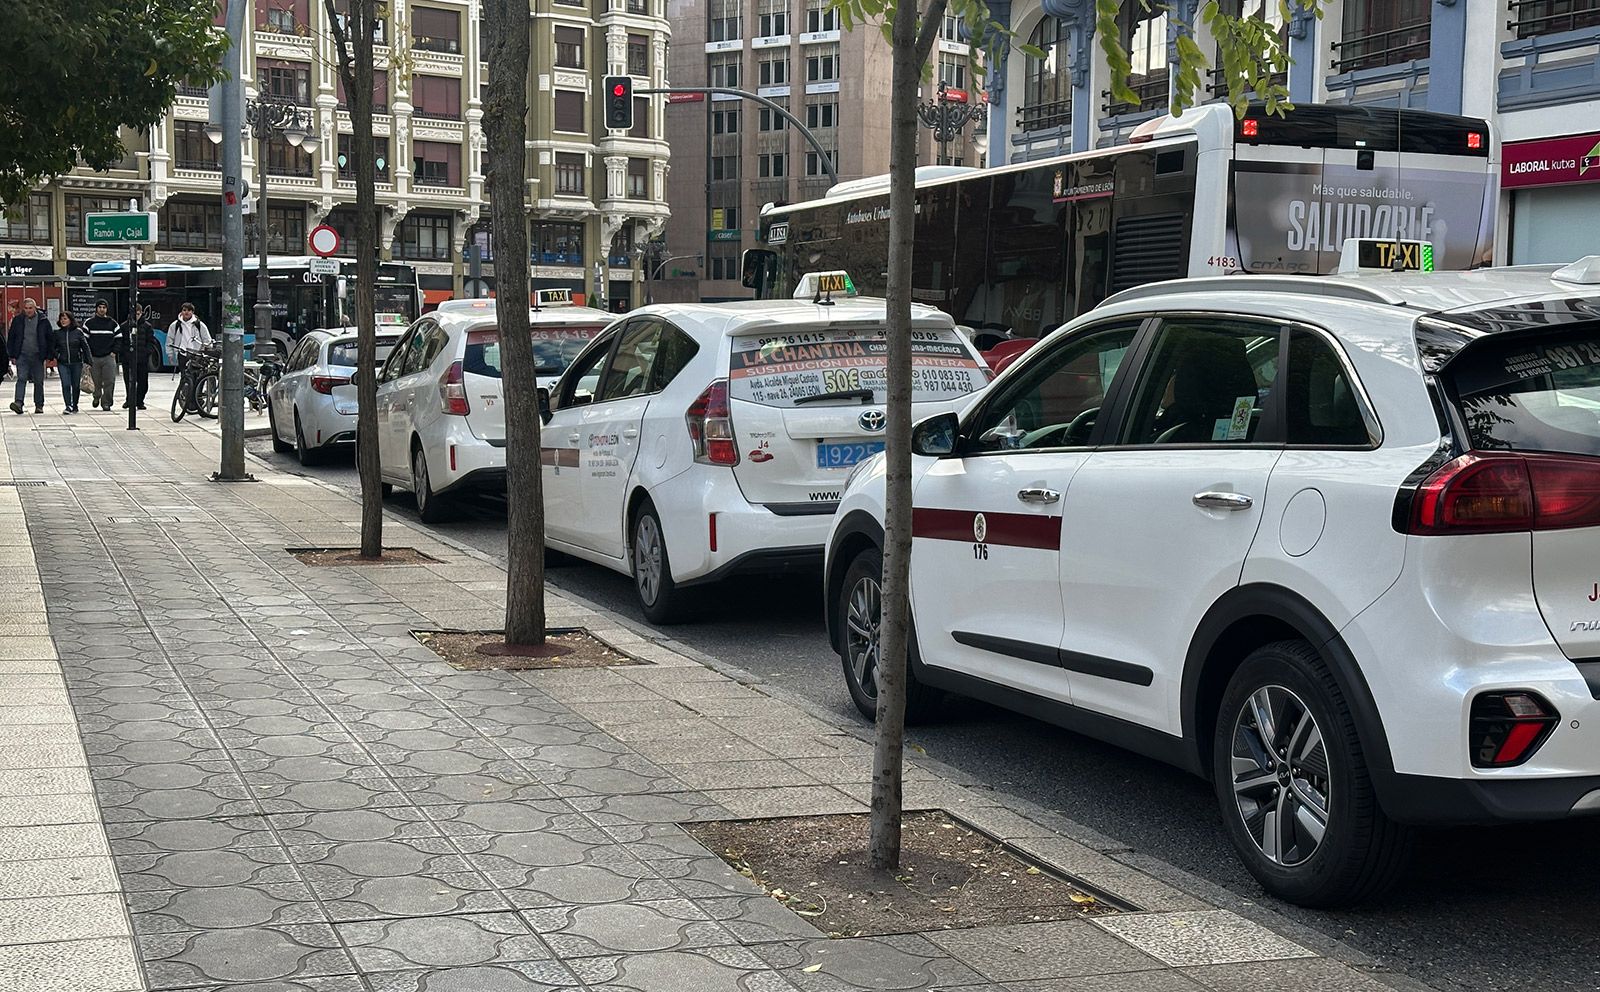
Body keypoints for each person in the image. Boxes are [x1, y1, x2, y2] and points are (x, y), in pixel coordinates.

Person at [7, 298, 54, 414]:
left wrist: (49, 354)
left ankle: (39, 405)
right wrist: (12, 355)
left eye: (30, 308)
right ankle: (18, 402)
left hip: (38, 355)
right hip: (22, 354)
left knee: (38, 380)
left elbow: (50, 338)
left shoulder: (43, 320)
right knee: (21, 378)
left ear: (35, 308)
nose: (28, 311)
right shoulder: (18, 320)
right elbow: (12, 337)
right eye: (26, 308)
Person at [83, 299, 121, 411]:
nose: (102, 309)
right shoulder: (89, 323)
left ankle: (107, 402)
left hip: (108, 357)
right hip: (94, 357)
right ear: (96, 309)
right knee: (96, 381)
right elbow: (84, 340)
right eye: (100, 307)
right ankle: (96, 396)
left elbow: (119, 339)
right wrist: (87, 356)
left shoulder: (113, 323)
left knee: (110, 380)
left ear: (106, 309)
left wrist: (114, 352)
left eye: (104, 307)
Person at [52, 312, 90, 414]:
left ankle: (75, 404)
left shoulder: (78, 332)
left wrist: (88, 360)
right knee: (66, 384)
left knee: (76, 385)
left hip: (76, 362)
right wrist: (58, 356)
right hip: (63, 362)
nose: (63, 321)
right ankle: (68, 405)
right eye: (61, 319)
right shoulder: (57, 333)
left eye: (65, 319)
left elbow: (85, 346)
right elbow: (52, 348)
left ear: (70, 320)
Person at [120, 305, 155, 410]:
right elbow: (121, 342)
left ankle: (140, 401)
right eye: (135, 313)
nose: (136, 315)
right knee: (129, 381)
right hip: (128, 359)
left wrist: (146, 353)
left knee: (143, 382)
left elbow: (151, 342)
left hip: (142, 359)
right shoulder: (124, 326)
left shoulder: (147, 326)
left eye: (138, 313)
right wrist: (124, 354)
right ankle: (129, 400)